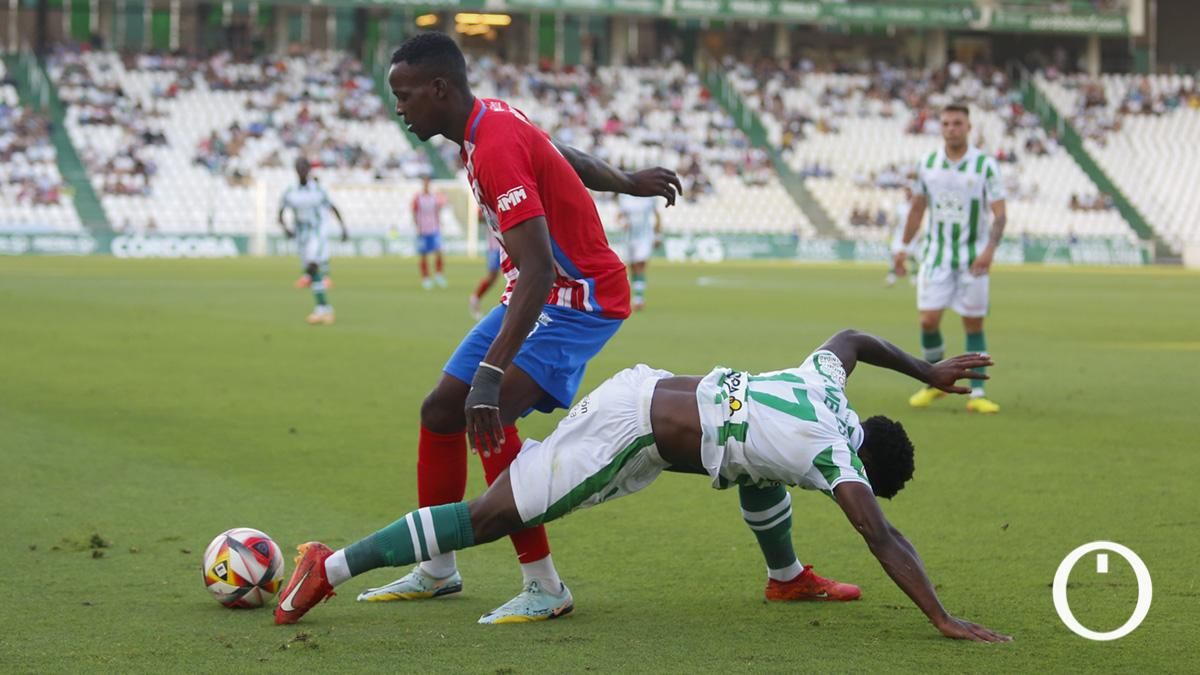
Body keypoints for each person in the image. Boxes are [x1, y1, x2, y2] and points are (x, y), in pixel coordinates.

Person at [274, 329, 1011, 644]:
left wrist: (926, 371)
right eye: (869, 488)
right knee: (489, 515)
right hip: (625, 433)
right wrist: (941, 616)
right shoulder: (835, 461)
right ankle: (328, 565)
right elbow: (881, 534)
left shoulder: (825, 386)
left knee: (754, 469)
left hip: (651, 391)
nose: (863, 496)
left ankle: (785, 577)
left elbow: (851, 337)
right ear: (869, 471)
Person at [362, 32, 682, 623]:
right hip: (534, 290)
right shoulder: (491, 121)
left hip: (577, 299)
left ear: (440, 88)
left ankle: (545, 585)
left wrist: (488, 376)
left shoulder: (495, 145)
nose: (399, 109)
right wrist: (628, 181)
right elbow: (565, 157)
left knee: (489, 411)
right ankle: (437, 568)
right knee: (440, 411)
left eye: (405, 96)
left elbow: (540, 270)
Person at [894, 104, 1006, 414]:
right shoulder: (928, 164)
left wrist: (988, 251)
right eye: (946, 123)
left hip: (973, 259)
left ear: (969, 127)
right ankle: (934, 382)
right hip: (936, 257)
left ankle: (978, 393)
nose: (951, 128)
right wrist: (902, 247)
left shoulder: (985, 166)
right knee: (927, 320)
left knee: (973, 324)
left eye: (958, 123)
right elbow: (917, 208)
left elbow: (1000, 214)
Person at [278, 157, 348, 325]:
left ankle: (324, 309)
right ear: (296, 170)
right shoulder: (290, 191)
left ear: (309, 170)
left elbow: (332, 207)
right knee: (312, 272)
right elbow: (280, 212)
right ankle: (322, 308)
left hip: (316, 234)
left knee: (313, 266)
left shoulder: (318, 190)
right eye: (299, 167)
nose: (302, 170)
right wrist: (286, 228)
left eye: (304, 167)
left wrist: (343, 227)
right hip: (301, 237)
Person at [617, 192, 662, 311]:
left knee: (640, 265)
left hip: (645, 236)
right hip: (629, 237)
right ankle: (635, 297)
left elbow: (657, 215)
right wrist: (623, 223)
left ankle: (639, 299)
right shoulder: (624, 197)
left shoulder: (649, 197)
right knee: (632, 268)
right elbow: (619, 216)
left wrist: (658, 235)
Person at [413, 176, 447, 290]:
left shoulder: (434, 197)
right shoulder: (418, 198)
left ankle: (438, 275)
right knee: (424, 255)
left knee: (439, 252)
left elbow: (440, 208)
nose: (426, 185)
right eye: (425, 183)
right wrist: (417, 226)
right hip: (423, 230)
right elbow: (414, 212)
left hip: (434, 228)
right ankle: (426, 278)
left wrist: (440, 222)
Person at [886, 186, 920, 288]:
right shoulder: (900, 206)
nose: (907, 194)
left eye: (909, 191)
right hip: (899, 234)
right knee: (895, 255)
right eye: (906, 192)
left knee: (912, 256)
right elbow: (896, 220)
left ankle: (914, 278)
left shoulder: (915, 206)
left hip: (913, 234)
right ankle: (891, 277)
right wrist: (891, 231)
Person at [469, 228, 503, 321]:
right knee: (492, 276)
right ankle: (475, 298)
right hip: (495, 247)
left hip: (509, 244)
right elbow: (481, 216)